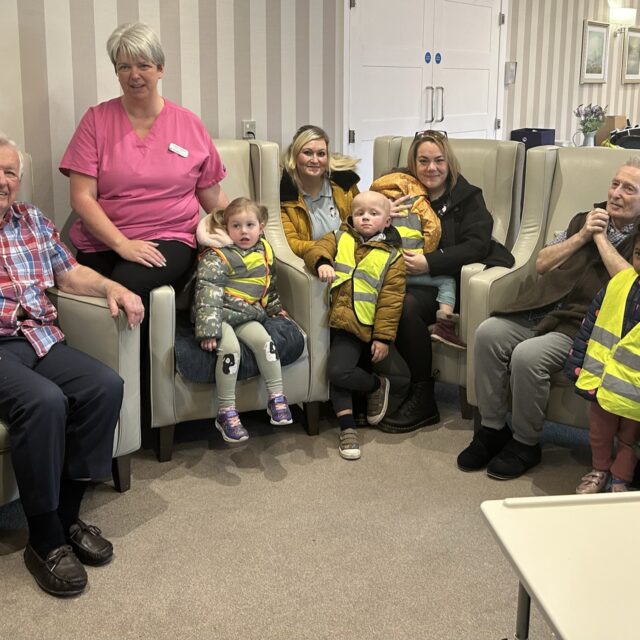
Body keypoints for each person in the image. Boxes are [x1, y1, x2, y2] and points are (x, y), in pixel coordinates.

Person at [58, 22, 228, 438]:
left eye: (144, 65)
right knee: (89, 293)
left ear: (161, 69)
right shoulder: (96, 121)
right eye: (124, 66)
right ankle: (93, 401)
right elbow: (82, 198)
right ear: (115, 71)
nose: (134, 74)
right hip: (104, 236)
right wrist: (122, 242)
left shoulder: (188, 124)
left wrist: (246, 235)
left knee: (124, 288)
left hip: (170, 237)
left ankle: (135, 406)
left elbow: (212, 197)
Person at [0, 135, 144, 597]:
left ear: (19, 180)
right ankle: (43, 540)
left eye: (9, 172)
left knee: (105, 385)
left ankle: (65, 518)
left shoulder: (32, 219)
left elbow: (68, 272)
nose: (2, 182)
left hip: (39, 337)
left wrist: (110, 288)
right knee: (44, 403)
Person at [457, 158, 640, 480]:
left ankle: (526, 442)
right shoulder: (584, 220)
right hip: (539, 308)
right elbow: (542, 263)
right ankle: (492, 428)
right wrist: (583, 234)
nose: (616, 194)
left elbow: (631, 284)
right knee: (488, 333)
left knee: (529, 357)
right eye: (615, 184)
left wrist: (601, 239)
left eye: (629, 189)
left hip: (582, 324)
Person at [378, 130, 511, 432]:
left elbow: (477, 244)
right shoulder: (400, 193)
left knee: (405, 306)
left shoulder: (467, 197)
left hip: (448, 286)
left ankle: (423, 395)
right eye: (423, 161)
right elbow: (362, 221)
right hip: (400, 277)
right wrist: (385, 215)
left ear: (448, 162)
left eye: (438, 160)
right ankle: (367, 389)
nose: (431, 168)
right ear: (413, 163)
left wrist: (430, 261)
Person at [304, 191, 405, 459]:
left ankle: (376, 384)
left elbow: (391, 301)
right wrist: (323, 262)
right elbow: (316, 248)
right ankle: (347, 430)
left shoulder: (392, 257)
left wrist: (383, 338)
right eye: (360, 213)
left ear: (387, 221)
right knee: (338, 371)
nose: (366, 218)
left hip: (359, 324)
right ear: (351, 216)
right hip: (330, 318)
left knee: (338, 372)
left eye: (374, 214)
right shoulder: (340, 237)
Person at [194, 198, 292, 444]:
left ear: (261, 226)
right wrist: (209, 330)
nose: (244, 231)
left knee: (266, 344)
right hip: (219, 314)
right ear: (226, 228)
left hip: (248, 314)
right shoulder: (217, 255)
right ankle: (226, 411)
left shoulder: (264, 251)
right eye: (236, 226)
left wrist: (274, 308)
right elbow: (207, 291)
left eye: (250, 225)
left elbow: (268, 286)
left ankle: (277, 397)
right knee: (230, 351)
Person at [565, 229, 640, 493]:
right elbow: (592, 323)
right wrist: (578, 362)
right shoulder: (620, 283)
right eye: (639, 255)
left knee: (629, 439)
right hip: (605, 380)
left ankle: (621, 478)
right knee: (599, 431)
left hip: (635, 390)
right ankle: (599, 470)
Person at [371, 170, 465, 349]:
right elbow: (434, 228)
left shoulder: (375, 201)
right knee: (447, 282)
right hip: (411, 264)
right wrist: (426, 256)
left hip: (382, 270)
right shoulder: (418, 201)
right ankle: (444, 325)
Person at [280, 125, 360, 258]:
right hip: (316, 261)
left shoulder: (344, 184)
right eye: (307, 153)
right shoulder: (285, 194)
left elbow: (362, 217)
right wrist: (330, 247)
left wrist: (380, 211)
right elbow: (292, 243)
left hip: (350, 256)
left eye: (321, 154)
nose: (315, 160)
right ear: (295, 155)